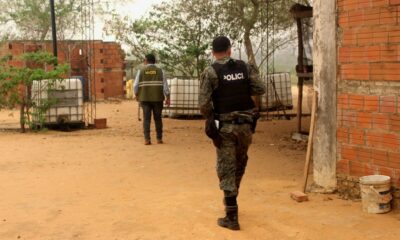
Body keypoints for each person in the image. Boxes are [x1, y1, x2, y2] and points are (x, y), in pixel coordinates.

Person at [199, 36, 266, 230]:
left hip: (226, 127)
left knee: (226, 167)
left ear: (213, 52)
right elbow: (260, 89)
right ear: (229, 50)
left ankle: (231, 216)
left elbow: (203, 105)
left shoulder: (210, 71)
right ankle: (232, 202)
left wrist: (211, 118)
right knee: (240, 163)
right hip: (246, 126)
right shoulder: (245, 67)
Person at [134, 53, 170, 145]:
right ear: (154, 61)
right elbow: (165, 86)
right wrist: (168, 97)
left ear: (146, 60)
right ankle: (159, 138)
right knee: (158, 118)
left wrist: (136, 94)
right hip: (158, 99)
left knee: (146, 119)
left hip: (144, 98)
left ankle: (147, 139)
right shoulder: (161, 71)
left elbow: (135, 85)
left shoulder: (140, 71)